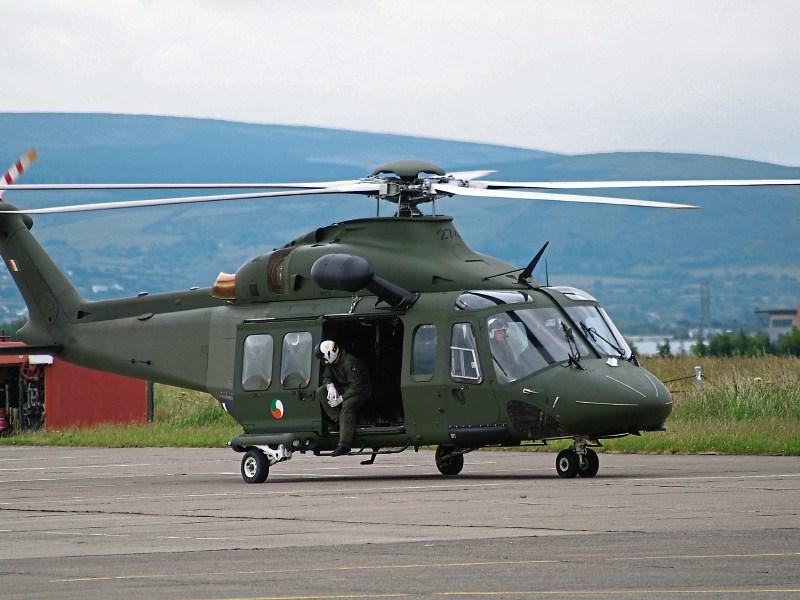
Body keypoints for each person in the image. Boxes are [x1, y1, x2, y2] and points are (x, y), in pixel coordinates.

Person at [315, 339, 371, 457]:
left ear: (330, 355)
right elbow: (326, 376)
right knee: (321, 392)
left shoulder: (349, 362)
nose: (323, 361)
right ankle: (339, 421)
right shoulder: (331, 362)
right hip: (347, 388)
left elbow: (357, 386)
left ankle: (344, 445)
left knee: (347, 407)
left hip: (361, 391)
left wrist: (341, 398)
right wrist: (330, 386)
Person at [488, 317, 520, 383]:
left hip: (512, 371)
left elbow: (512, 359)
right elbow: (498, 367)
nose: (502, 333)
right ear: (491, 333)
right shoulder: (490, 347)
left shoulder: (505, 343)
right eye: (499, 331)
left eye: (503, 331)